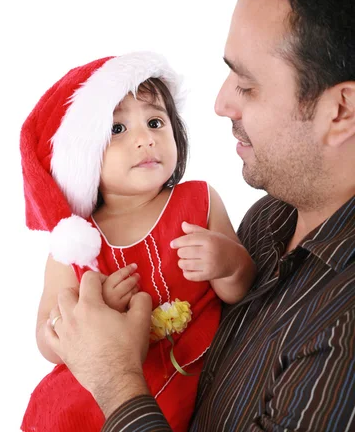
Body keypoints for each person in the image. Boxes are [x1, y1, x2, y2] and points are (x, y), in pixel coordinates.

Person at [44, 0, 355, 431]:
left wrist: (114, 378)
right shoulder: (269, 220)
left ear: (340, 110)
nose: (219, 103)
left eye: (248, 86)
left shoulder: (343, 329)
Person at [20, 51, 256, 432]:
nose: (146, 139)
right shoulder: (76, 241)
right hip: (88, 402)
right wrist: (94, 310)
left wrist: (229, 263)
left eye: (155, 121)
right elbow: (48, 339)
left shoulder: (200, 201)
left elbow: (238, 289)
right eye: (117, 129)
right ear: (82, 155)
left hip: (188, 390)